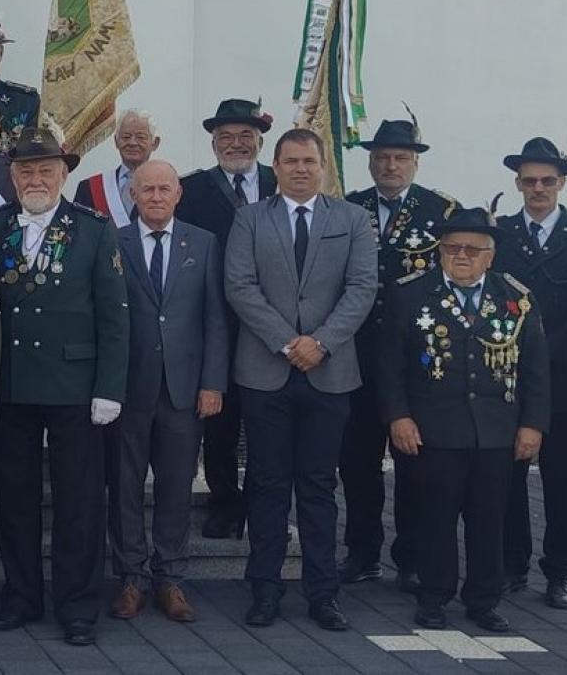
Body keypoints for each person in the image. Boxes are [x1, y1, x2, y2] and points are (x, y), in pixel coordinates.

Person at [225, 128, 377, 632]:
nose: (300, 169)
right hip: (266, 370)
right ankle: (264, 590)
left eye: (309, 161)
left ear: (323, 165)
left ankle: (322, 593)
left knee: (317, 486)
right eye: (290, 161)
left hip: (330, 372)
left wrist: (322, 343)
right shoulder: (249, 219)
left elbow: (361, 288)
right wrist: (289, 343)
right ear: (276, 165)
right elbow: (240, 286)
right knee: (266, 485)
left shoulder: (352, 219)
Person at [0, 128, 127, 646]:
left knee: (79, 502)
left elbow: (114, 316)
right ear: (12, 176)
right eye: (25, 170)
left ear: (64, 174)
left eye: (46, 169)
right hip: (12, 386)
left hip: (74, 387)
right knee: (14, 499)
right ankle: (20, 596)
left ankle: (78, 605)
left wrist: (109, 387)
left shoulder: (93, 228)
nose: (35, 178)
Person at [378, 208, 548, 633]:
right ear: (440, 253)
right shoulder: (411, 294)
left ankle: (483, 599)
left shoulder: (516, 299)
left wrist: (533, 424)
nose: (462, 256)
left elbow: (536, 369)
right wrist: (398, 417)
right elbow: (389, 365)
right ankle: (434, 596)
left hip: (495, 431)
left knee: (490, 519)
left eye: (473, 250)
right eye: (452, 248)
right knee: (434, 517)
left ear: (490, 256)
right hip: (434, 429)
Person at [340, 116, 460, 591]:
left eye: (400, 158)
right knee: (357, 462)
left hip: (418, 360)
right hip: (357, 355)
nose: (391, 165)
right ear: (370, 162)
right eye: (382, 157)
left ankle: (411, 555)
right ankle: (362, 551)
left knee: (416, 464)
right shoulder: (348, 209)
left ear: (415, 162)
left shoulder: (444, 213)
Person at [107, 159, 226, 624]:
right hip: (128, 389)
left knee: (176, 488)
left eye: (164, 189)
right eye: (146, 190)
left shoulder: (203, 243)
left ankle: (171, 578)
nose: (155, 197)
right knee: (124, 488)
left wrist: (213, 382)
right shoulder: (112, 242)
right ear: (132, 195)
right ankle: (131, 578)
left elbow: (215, 318)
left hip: (183, 389)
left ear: (178, 194)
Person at [492, 137, 567, 609]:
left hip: (562, 379)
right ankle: (511, 564)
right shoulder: (496, 234)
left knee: (562, 479)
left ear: (562, 183)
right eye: (529, 180)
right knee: (506, 478)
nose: (538, 188)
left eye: (547, 180)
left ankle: (561, 571)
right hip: (506, 377)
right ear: (517, 183)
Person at [175, 98, 275, 541]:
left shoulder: (281, 182)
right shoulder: (189, 190)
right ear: (213, 143)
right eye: (226, 137)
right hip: (213, 322)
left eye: (245, 136)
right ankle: (223, 503)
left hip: (272, 324)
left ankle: (261, 503)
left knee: (266, 419)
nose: (236, 144)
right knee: (218, 419)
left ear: (259, 140)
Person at [74, 108, 160, 224]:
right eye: (126, 137)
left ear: (155, 143)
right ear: (116, 141)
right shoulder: (90, 188)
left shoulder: (168, 189)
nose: (132, 143)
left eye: (140, 137)